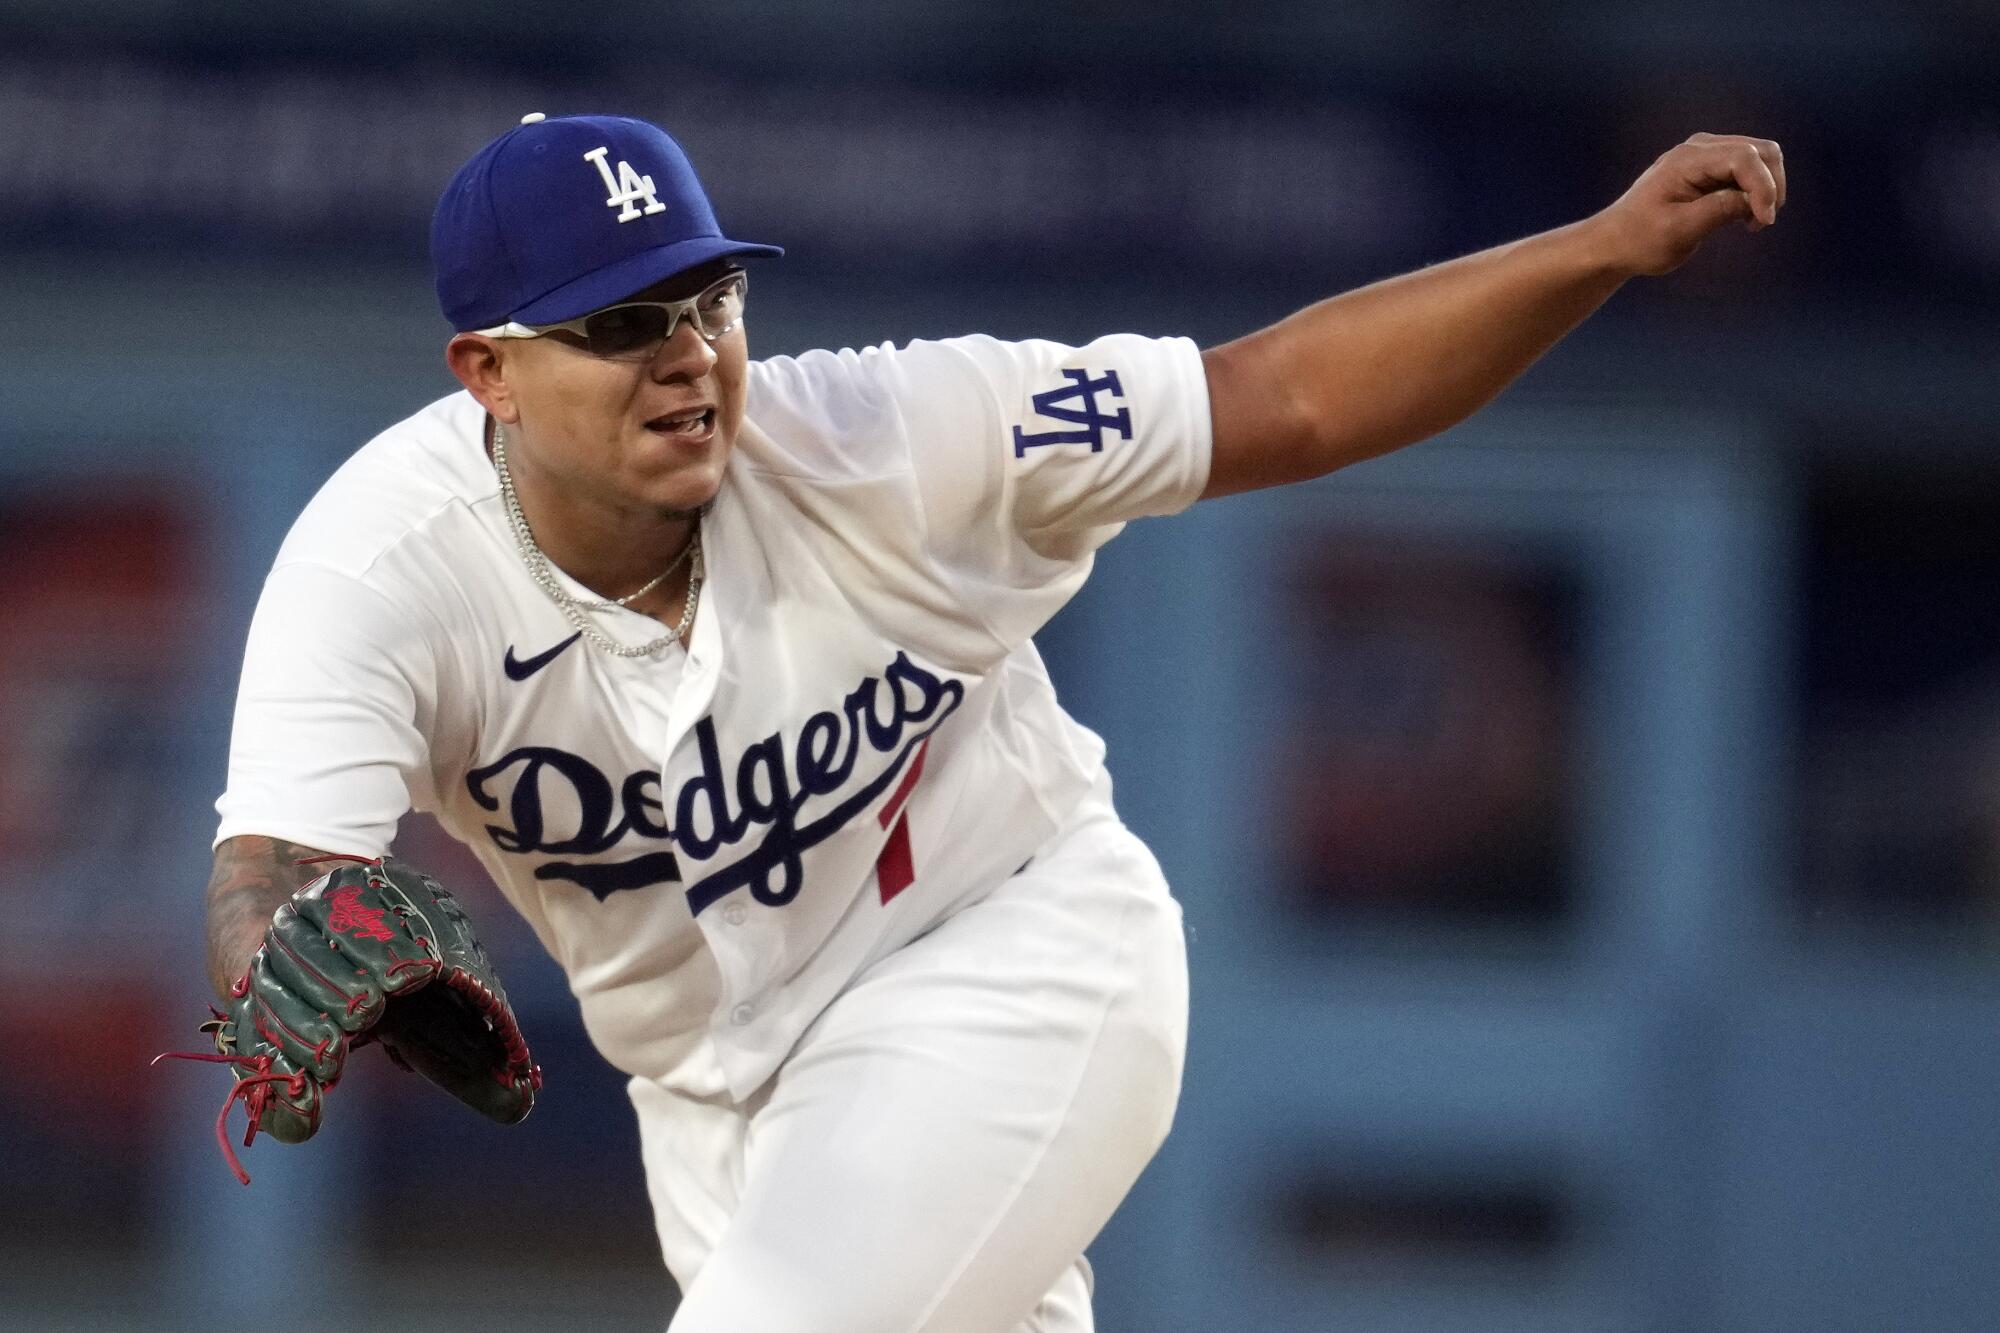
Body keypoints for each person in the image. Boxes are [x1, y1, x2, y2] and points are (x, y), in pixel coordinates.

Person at [201, 111, 1784, 1332]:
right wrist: (282, 949)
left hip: (1010, 959)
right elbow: (270, 870)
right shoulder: (378, 566)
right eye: (623, 324)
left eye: (711, 298)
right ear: (489, 369)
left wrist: (1596, 246)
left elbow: (1280, 397)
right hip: (718, 1102)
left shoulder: (891, 437)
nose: (689, 357)